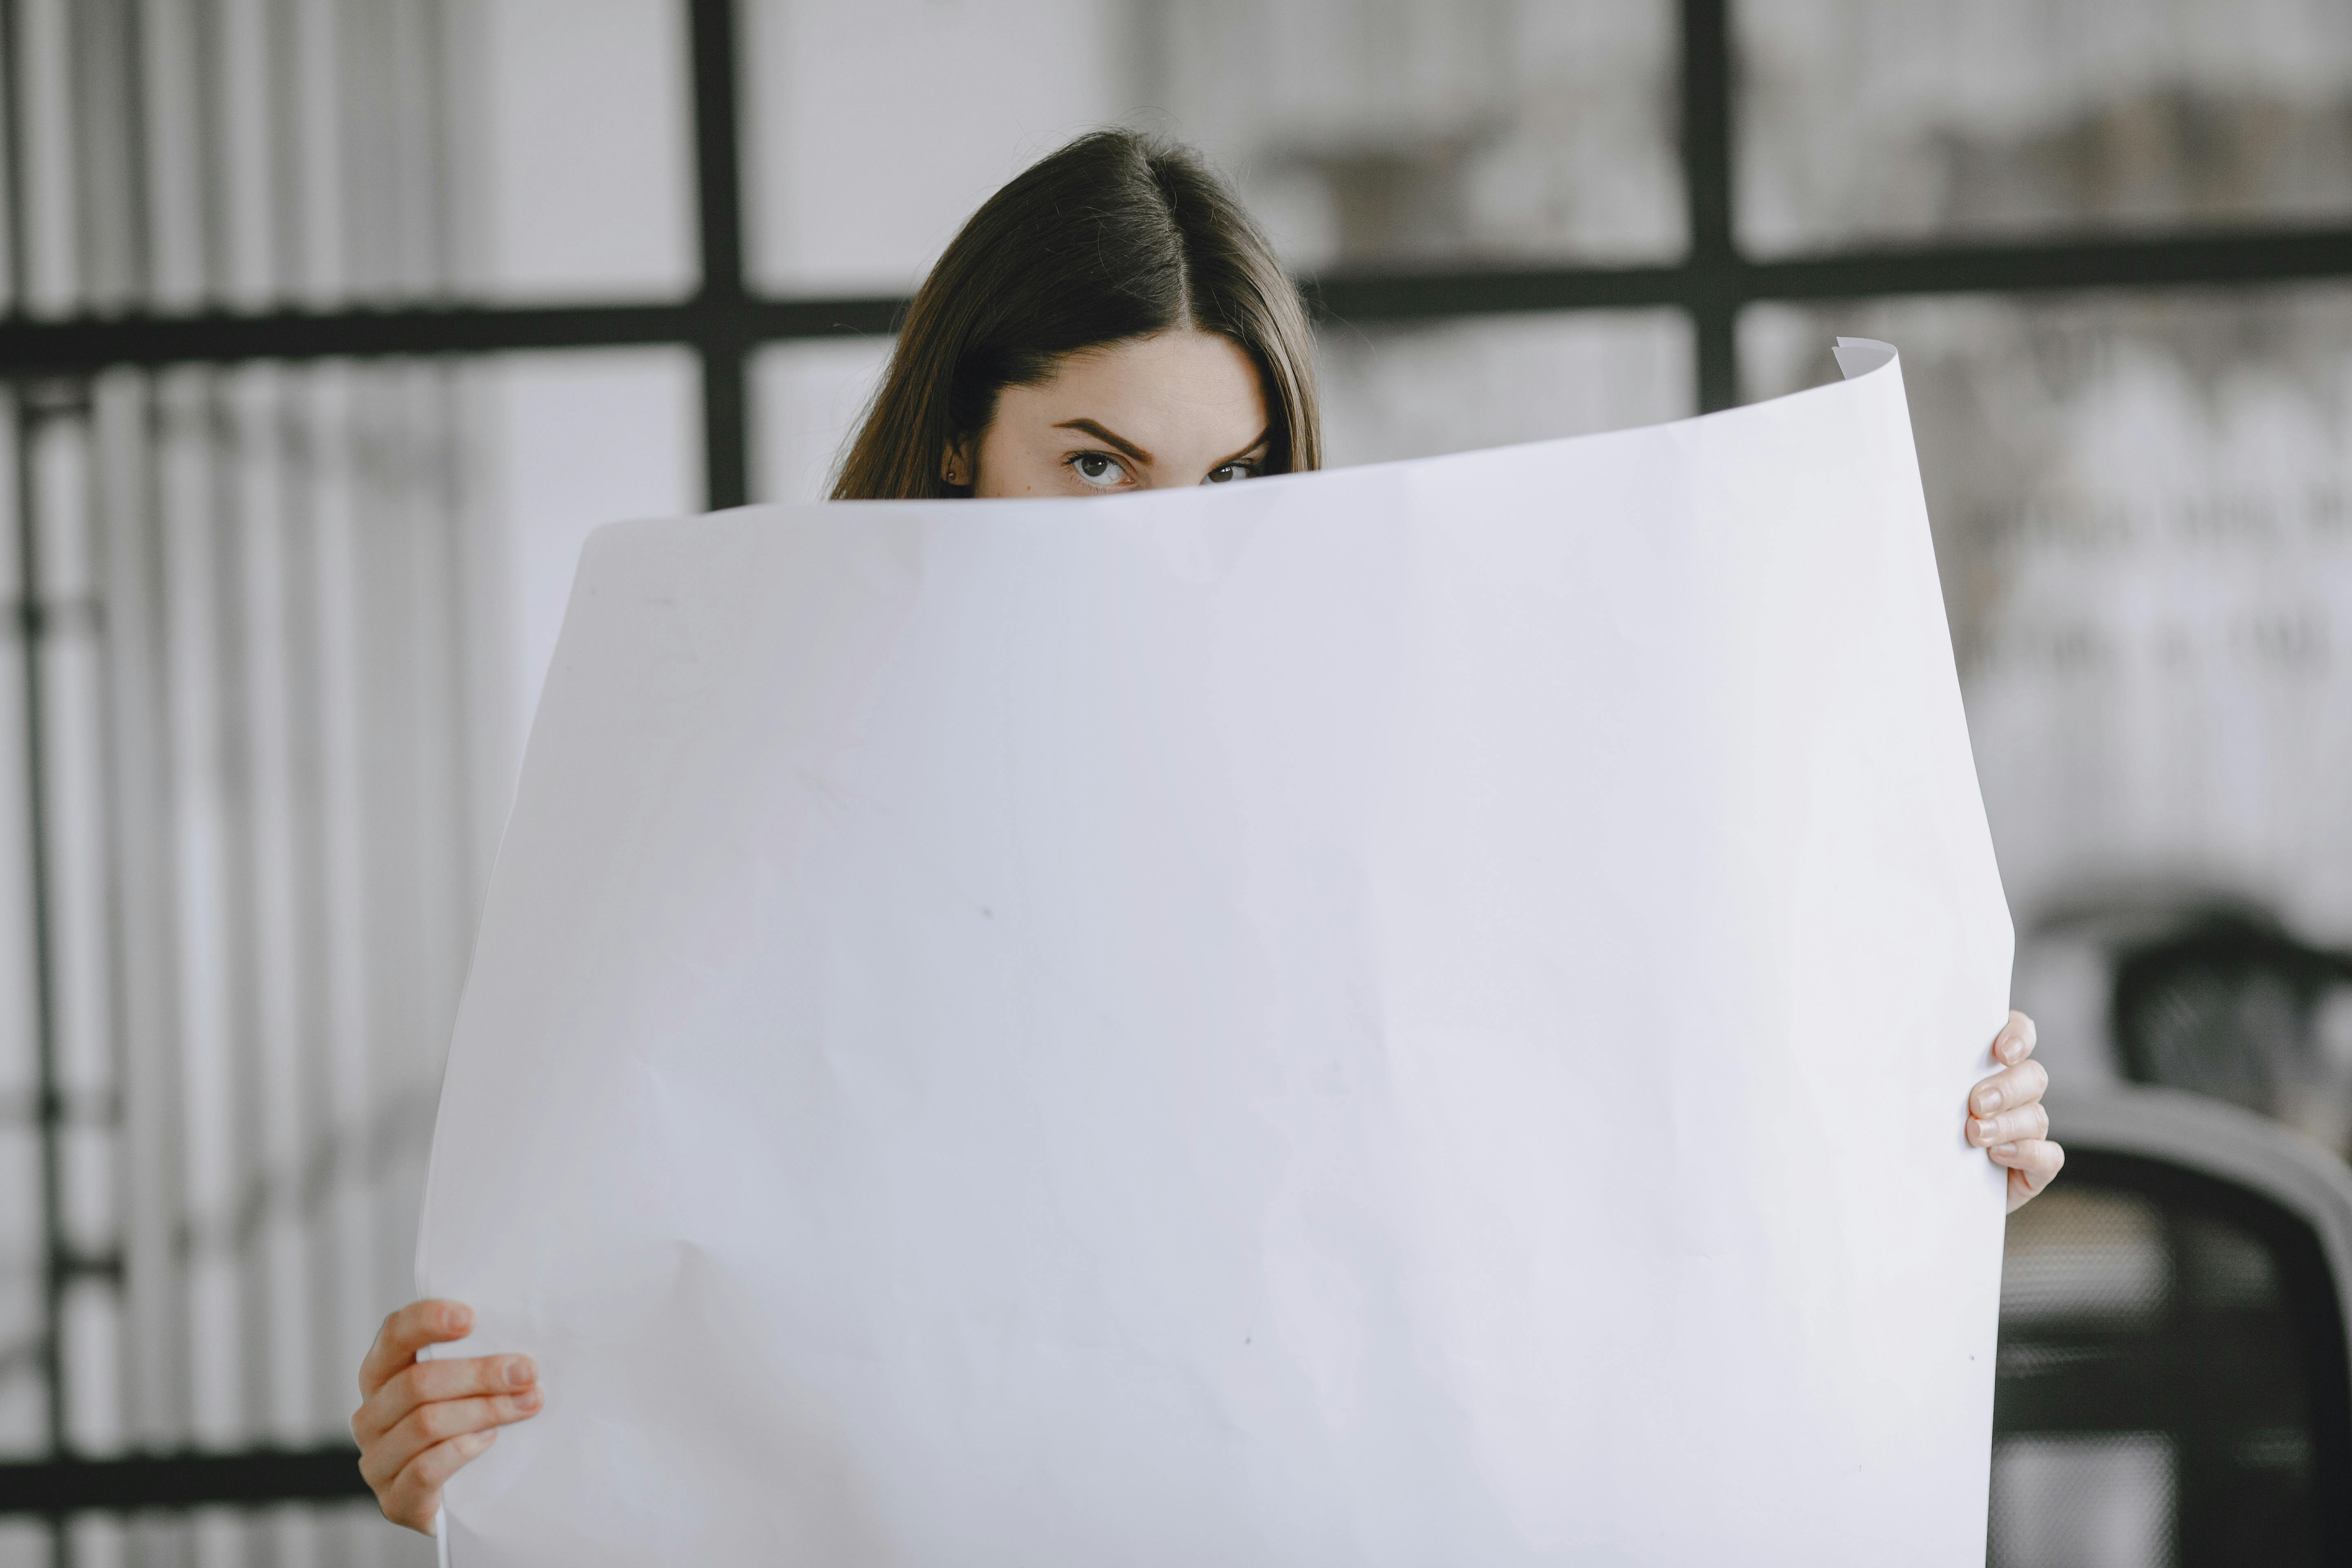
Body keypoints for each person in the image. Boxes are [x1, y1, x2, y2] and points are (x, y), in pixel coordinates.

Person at [350, 129, 2064, 1532]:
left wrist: (1915, 1128)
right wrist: (479, 1435)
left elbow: (1604, 1148)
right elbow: (673, 1258)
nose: (1169, 547)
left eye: (1235, 483)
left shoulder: (1423, 771)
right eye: (1099, 466)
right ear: (961, 442)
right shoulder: (745, 783)